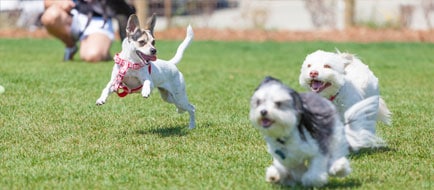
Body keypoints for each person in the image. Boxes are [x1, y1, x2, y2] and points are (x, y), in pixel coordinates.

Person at [40, 0, 134, 62]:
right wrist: (62, 2)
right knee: (50, 16)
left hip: (100, 21)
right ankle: (71, 45)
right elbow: (45, 2)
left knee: (92, 56)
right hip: (74, 16)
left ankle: (104, 52)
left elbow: (124, 9)